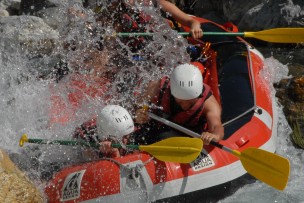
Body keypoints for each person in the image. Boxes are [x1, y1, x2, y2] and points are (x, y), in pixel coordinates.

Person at [135, 63, 224, 145]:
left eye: (190, 102)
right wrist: (138, 114)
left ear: (199, 95)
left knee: (165, 136)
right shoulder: (156, 86)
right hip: (155, 129)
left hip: (186, 137)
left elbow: (216, 126)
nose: (184, 106)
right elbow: (136, 107)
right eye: (180, 101)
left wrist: (214, 136)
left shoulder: (209, 103)